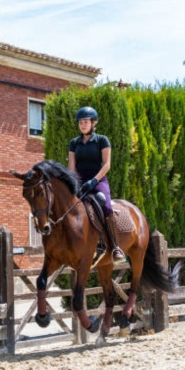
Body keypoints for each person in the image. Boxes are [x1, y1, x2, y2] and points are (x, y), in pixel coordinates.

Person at [68, 106, 126, 264]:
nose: (82, 125)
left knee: (105, 205)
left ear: (94, 123)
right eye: (80, 122)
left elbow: (107, 165)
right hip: (80, 181)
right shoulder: (74, 143)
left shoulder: (102, 140)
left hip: (98, 180)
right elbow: (71, 167)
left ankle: (115, 247)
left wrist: (94, 180)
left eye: (85, 121)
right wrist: (73, 182)